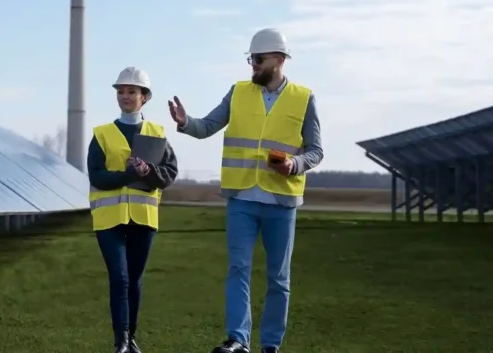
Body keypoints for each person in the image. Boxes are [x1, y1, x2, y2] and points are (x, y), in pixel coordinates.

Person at [167, 28, 323, 353]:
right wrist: (185, 122)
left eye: (258, 59)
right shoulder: (238, 92)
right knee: (238, 269)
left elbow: (315, 150)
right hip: (241, 199)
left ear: (279, 60)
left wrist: (294, 165)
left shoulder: (304, 98)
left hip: (281, 203)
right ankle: (238, 340)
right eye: (251, 59)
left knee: (279, 279)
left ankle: (271, 345)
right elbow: (207, 126)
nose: (253, 64)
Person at [88, 66, 180, 353]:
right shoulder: (102, 134)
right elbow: (97, 177)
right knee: (120, 277)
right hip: (108, 219)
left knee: (135, 281)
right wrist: (130, 175)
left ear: (145, 97)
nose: (125, 96)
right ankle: (121, 341)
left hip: (143, 218)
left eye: (132, 91)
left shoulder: (157, 133)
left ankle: (132, 339)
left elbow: (169, 174)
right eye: (121, 92)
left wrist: (148, 171)